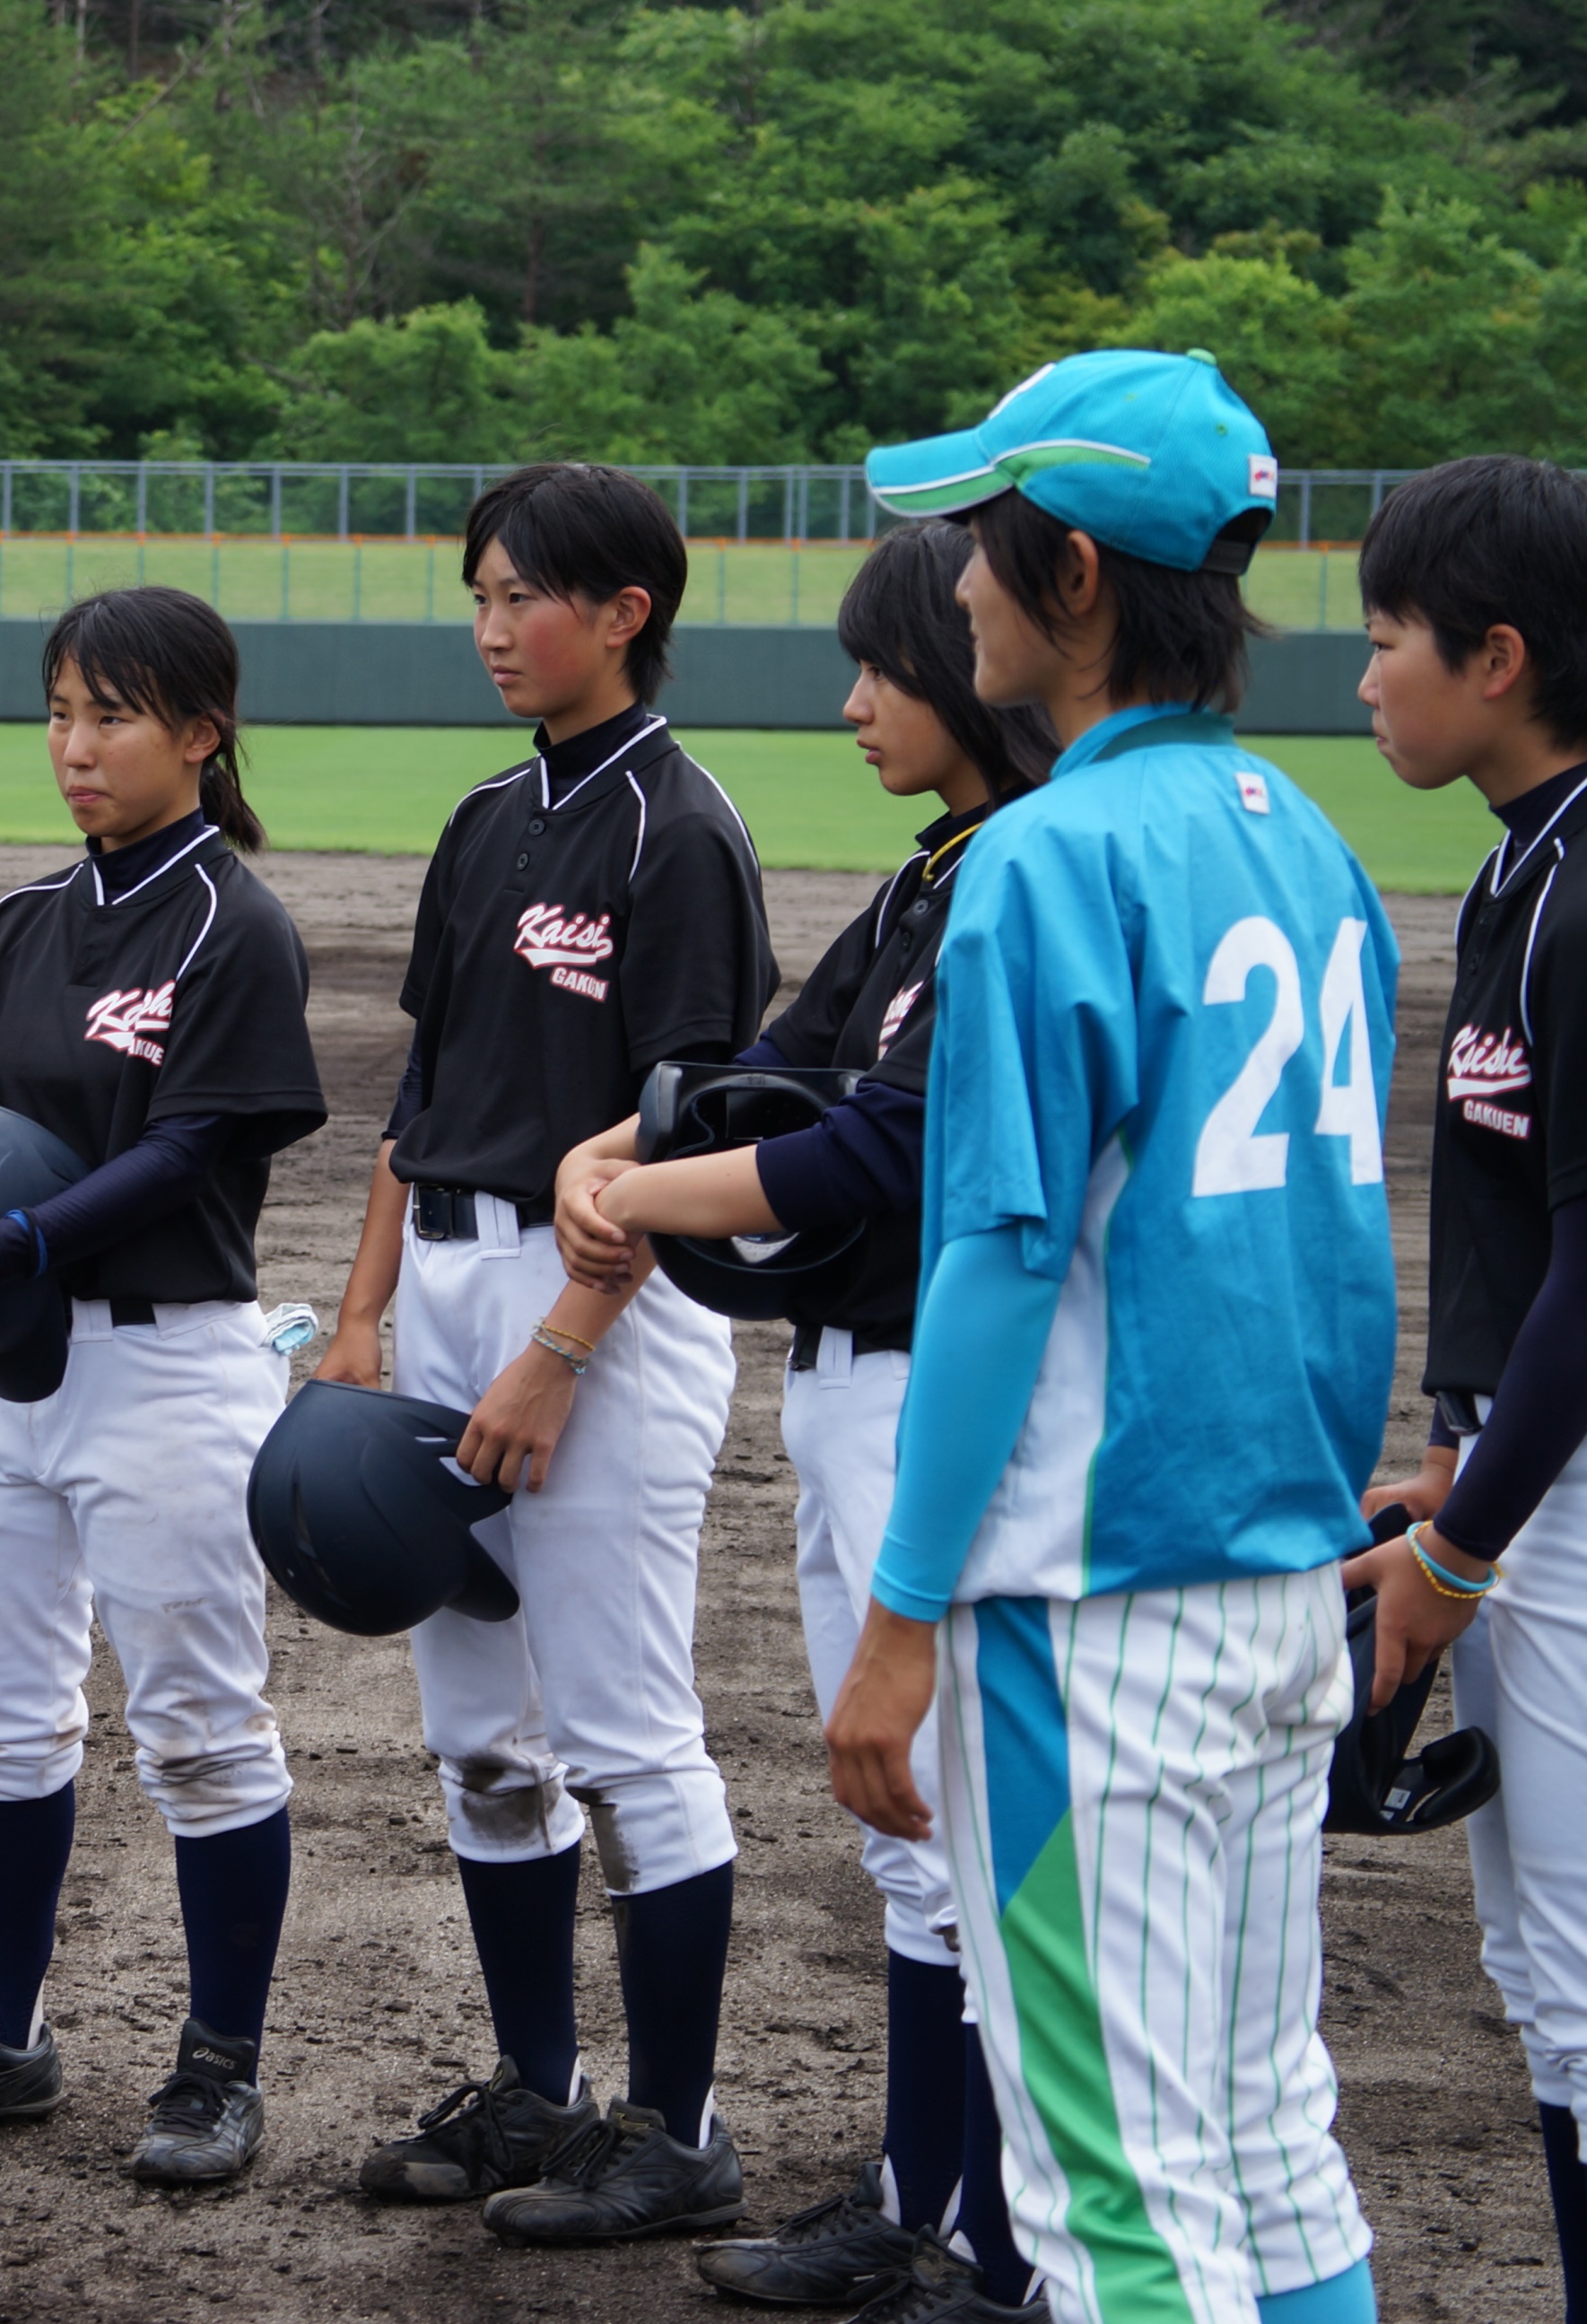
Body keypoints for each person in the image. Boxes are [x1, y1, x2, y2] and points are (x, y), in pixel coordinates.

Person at [829, 348, 1392, 2324]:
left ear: (1069, 572)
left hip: (1089, 1612)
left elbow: (991, 1259)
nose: (952, 587)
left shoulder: (1048, 855)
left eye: (976, 549)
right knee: (1269, 2150)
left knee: (1113, 2204)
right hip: (1272, 1574)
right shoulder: (1307, 835)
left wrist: (899, 1611)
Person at [553, 520, 1054, 2320]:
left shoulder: (1017, 874)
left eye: (879, 668)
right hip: (847, 1388)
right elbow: (781, 1056)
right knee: (905, 1838)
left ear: (972, 673)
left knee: (973, 1840)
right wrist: (625, 1146)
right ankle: (930, 2196)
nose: (850, 701)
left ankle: (996, 2241)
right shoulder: (931, 874)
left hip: (946, 1387)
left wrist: (645, 1200)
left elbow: (890, 1139)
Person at [0, 586, 326, 2186]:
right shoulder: (14, 925)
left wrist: (5, 1245)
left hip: (167, 1368)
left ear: (199, 731)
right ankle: (3, 2034)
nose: (75, 745)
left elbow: (191, 1154)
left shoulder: (230, 924)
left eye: (109, 713)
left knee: (198, 1729)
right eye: (57, 711)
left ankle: (217, 2068)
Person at [324, 463, 774, 2245]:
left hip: (597, 1312)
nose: (495, 627)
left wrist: (559, 1349)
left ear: (624, 613)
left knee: (618, 1725)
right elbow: (416, 1099)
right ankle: (539, 2086)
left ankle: (680, 2126)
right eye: (481, 596)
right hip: (441, 1284)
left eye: (524, 594)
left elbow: (682, 1140)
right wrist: (361, 1316)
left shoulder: (681, 832)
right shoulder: (481, 818)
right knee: (476, 1734)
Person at [1348, 452, 1587, 2324]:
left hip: (1562, 1507)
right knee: (1537, 1971)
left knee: (1581, 1989)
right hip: (1524, 1483)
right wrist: (1456, 1473)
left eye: (1384, 641)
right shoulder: (1521, 863)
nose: (1361, 678)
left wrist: (1467, 1544)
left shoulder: (1583, 884)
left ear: (1495, 655)